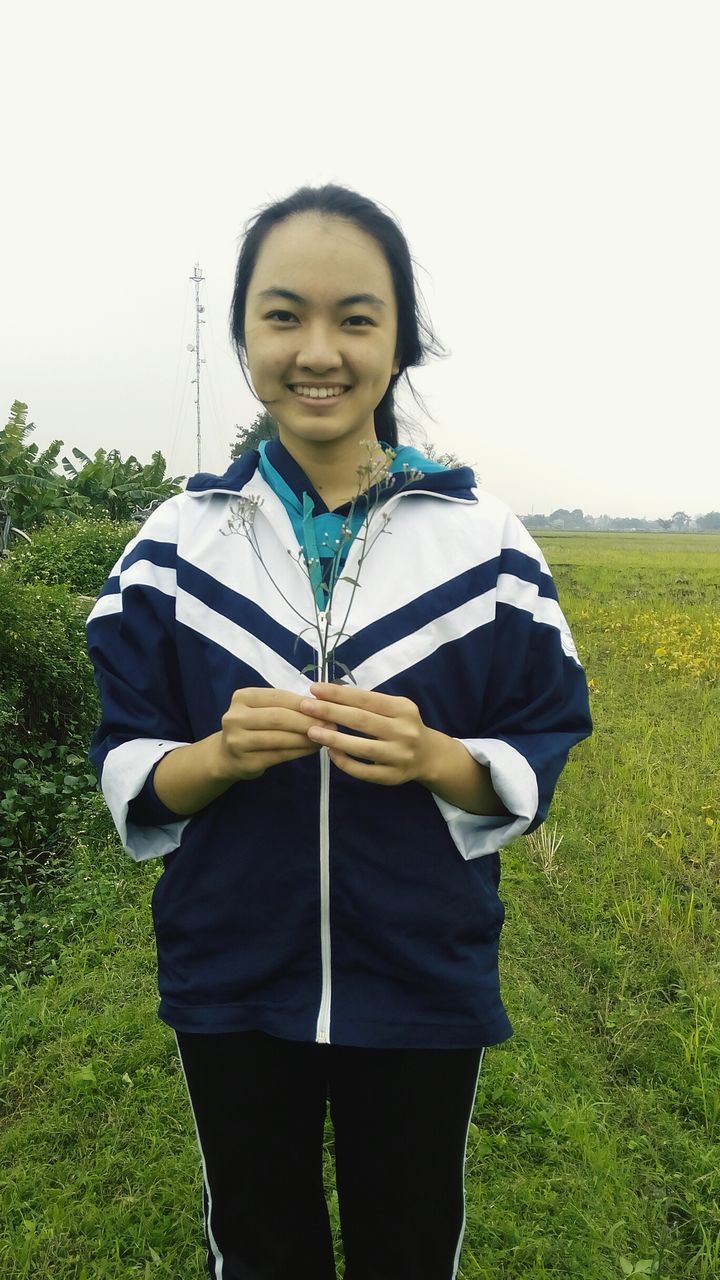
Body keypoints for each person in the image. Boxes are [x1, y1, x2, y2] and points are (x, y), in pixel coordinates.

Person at [86, 183, 593, 1280]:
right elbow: (126, 755)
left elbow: (548, 724)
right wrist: (213, 758)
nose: (319, 350)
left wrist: (439, 758)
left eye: (356, 317)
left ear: (401, 337)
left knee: (408, 1243)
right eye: (283, 315)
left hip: (420, 974)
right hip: (231, 974)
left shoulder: (487, 544)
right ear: (242, 335)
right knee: (259, 1242)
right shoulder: (173, 546)